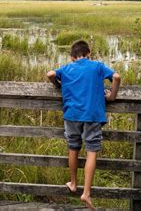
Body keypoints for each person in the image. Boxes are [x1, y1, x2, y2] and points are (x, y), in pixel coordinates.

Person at [46, 40, 121, 210]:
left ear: (72, 57)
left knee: (73, 147)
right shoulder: (97, 66)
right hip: (93, 114)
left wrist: (59, 84)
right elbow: (116, 77)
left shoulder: (67, 68)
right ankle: (86, 193)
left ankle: (73, 183)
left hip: (72, 114)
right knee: (91, 151)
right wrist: (112, 96)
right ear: (89, 54)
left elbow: (50, 74)